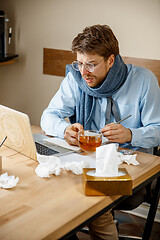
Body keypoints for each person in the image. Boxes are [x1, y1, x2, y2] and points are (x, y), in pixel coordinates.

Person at [41, 25, 160, 239]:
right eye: (79, 64)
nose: (84, 72)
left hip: (131, 164)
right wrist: (64, 129)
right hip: (87, 158)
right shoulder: (76, 78)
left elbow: (158, 129)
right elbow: (48, 116)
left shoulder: (144, 80)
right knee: (51, 185)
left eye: (91, 65)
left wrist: (131, 134)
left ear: (111, 61)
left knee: (88, 193)